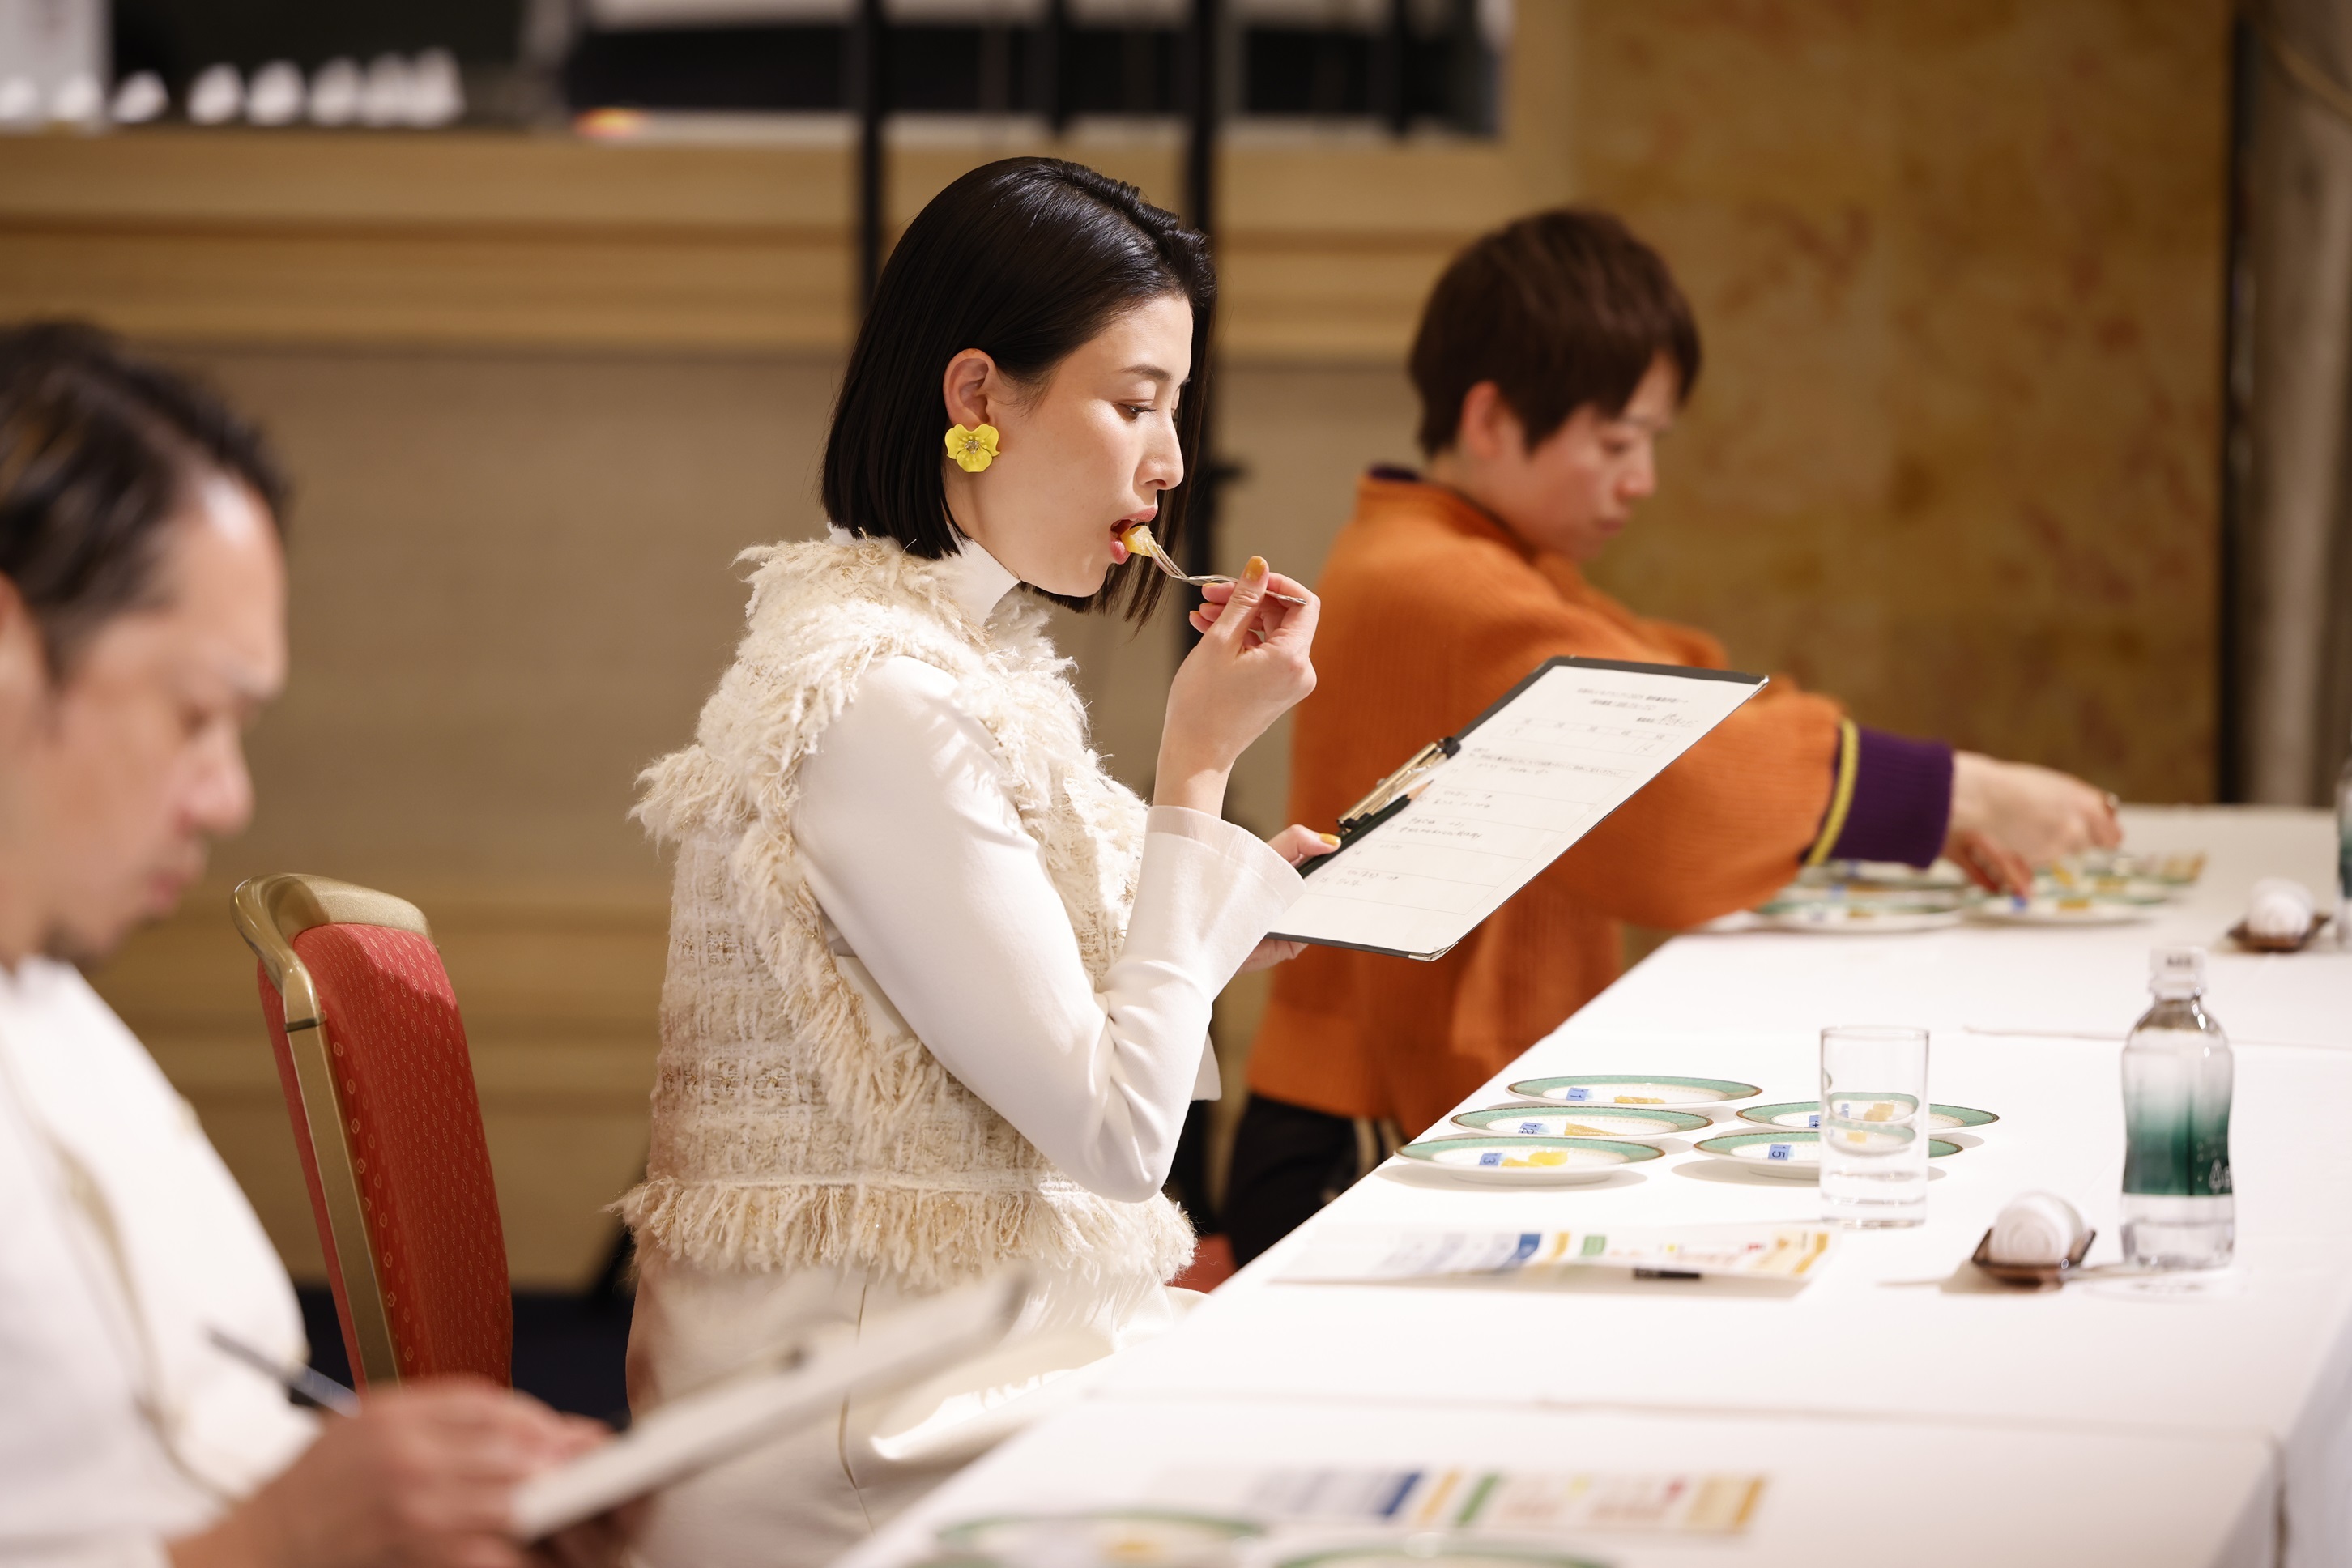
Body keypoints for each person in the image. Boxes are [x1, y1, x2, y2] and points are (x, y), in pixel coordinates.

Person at [619, 158, 1326, 1567]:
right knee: (1358, 1439)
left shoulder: (952, 658)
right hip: (862, 1410)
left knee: (1362, 1368)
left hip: (957, 1335)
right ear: (978, 398)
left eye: (1174, 409)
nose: (1171, 465)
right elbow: (1118, 1141)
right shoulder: (880, 696)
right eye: (1135, 404)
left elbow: (1041, 1016)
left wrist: (1221, 915)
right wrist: (1196, 766)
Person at [1221, 209, 2121, 1263]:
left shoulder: (1467, 556)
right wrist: (1954, 792)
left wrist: (1925, 796)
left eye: (1650, 443)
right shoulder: (1437, 580)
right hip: (1359, 1133)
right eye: (1616, 442)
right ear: (1493, 418)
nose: (1641, 479)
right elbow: (1676, 785)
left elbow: (1689, 689)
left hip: (1373, 1107)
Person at [0, 322, 623, 1568]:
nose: (228, 798)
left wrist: (458, 1492)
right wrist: (272, 1542)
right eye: (197, 715)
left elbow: (220, 1422)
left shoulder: (56, 1007)